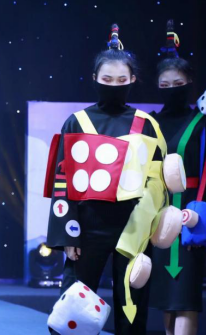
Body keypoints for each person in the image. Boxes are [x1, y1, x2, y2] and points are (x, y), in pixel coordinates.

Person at [44, 24, 180, 335]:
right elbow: (62, 181)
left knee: (132, 312)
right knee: (71, 312)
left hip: (133, 229)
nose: (114, 85)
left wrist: (147, 228)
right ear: (95, 79)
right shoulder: (77, 122)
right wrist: (67, 235)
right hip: (86, 228)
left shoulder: (146, 124)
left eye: (122, 80)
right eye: (107, 80)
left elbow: (157, 183)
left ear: (133, 80)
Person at [150, 23, 206, 335]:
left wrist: (198, 221)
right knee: (167, 301)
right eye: (165, 84)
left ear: (190, 83)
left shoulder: (203, 122)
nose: (171, 88)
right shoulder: (150, 122)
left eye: (178, 83)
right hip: (157, 219)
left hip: (189, 217)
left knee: (186, 300)